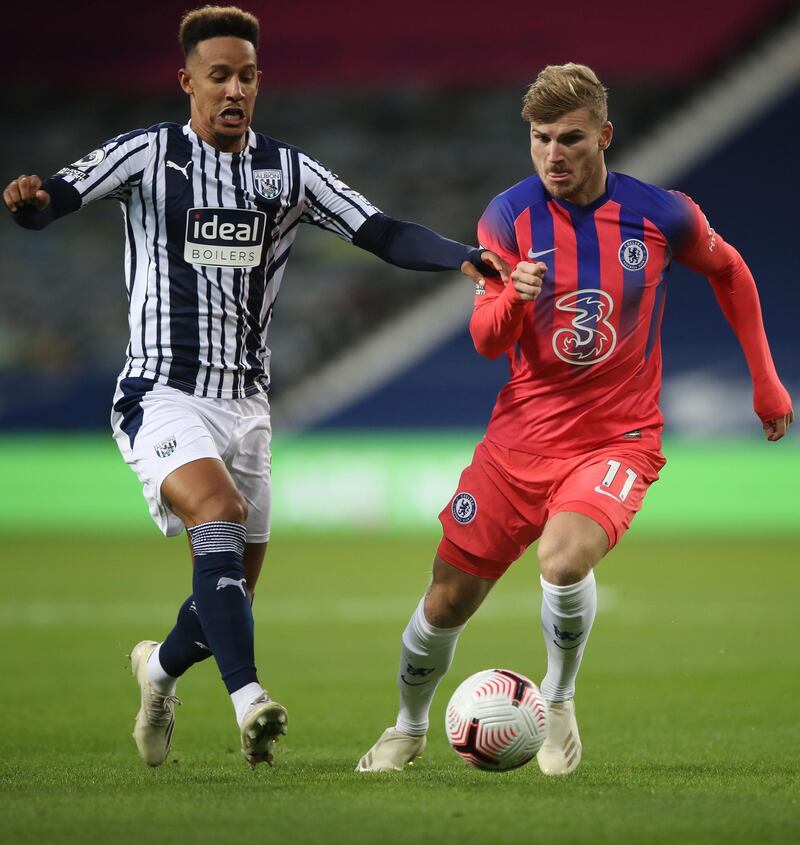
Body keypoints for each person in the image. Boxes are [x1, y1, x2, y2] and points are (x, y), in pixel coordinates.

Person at [2, 5, 508, 770]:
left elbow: (379, 229)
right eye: (218, 76)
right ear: (188, 82)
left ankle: (158, 673)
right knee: (220, 515)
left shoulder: (288, 171)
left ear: (258, 81)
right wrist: (31, 206)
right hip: (160, 391)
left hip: (247, 407)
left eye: (246, 76)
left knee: (225, 592)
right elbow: (58, 199)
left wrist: (459, 254)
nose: (233, 89)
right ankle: (250, 703)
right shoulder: (147, 156)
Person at [356, 62, 793, 776]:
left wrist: (766, 381)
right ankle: (407, 727)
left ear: (604, 136)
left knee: (562, 559)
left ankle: (557, 702)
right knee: (444, 601)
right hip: (517, 442)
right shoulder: (507, 217)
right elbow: (487, 340)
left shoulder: (663, 214)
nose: (553, 154)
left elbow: (731, 271)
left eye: (569, 138)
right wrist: (512, 295)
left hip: (617, 437)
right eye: (539, 139)